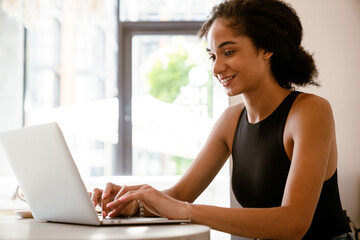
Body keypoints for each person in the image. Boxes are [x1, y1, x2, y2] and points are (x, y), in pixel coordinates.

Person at [91, 0, 353, 239]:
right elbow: (181, 194)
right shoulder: (231, 120)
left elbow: (294, 223)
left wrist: (183, 210)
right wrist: (132, 203)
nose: (216, 68)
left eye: (228, 52)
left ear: (266, 48)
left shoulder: (309, 111)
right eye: (213, 56)